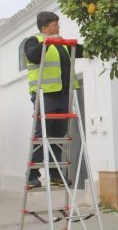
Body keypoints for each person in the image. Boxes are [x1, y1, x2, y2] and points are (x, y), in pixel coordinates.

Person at [24, 11, 83, 188]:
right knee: (42, 135)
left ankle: (56, 173)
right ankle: (33, 175)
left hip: (64, 95)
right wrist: (49, 42)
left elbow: (81, 51)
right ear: (44, 27)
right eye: (55, 24)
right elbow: (33, 56)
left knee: (58, 136)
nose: (58, 27)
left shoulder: (62, 43)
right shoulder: (34, 41)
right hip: (45, 95)